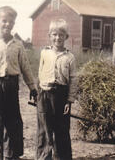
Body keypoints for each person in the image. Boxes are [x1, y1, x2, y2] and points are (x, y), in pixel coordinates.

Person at [0, 6, 37, 160]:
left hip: (12, 86)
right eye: (4, 21)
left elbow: (25, 67)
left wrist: (32, 88)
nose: (7, 24)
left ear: (14, 23)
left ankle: (10, 154)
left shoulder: (18, 45)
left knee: (12, 121)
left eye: (11, 22)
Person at [35, 19, 77, 160]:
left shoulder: (70, 57)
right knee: (44, 129)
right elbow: (40, 73)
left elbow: (73, 80)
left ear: (66, 37)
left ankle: (62, 157)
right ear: (49, 35)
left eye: (61, 35)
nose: (57, 38)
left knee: (62, 130)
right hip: (45, 94)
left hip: (61, 96)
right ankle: (43, 156)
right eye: (54, 34)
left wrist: (69, 101)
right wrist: (38, 92)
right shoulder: (44, 53)